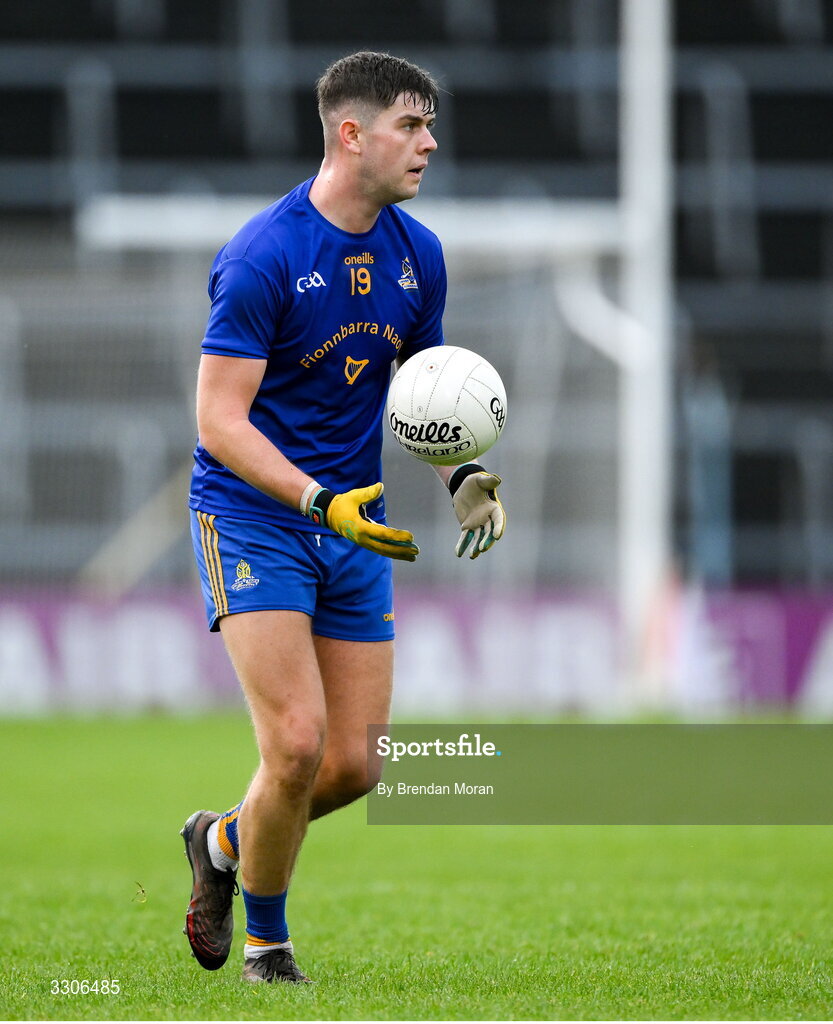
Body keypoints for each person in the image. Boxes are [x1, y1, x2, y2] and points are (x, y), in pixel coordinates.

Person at [181, 50, 506, 985]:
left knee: (357, 767)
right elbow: (216, 419)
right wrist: (316, 499)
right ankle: (267, 947)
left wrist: (464, 478)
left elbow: (428, 395)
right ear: (350, 133)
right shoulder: (264, 254)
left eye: (430, 125)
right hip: (252, 517)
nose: (429, 143)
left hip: (350, 526)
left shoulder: (419, 254)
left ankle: (223, 845)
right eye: (411, 125)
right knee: (292, 743)